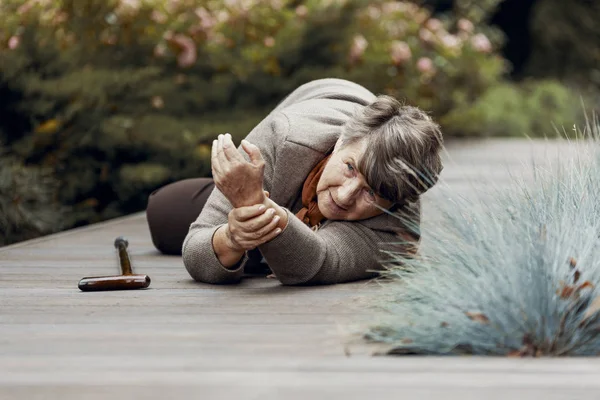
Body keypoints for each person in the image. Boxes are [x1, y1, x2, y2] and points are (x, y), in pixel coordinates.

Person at [146, 78, 443, 285]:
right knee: (165, 212)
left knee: (264, 251)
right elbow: (195, 253)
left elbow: (313, 264)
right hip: (307, 127)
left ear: (394, 202)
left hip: (289, 196)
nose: (345, 195)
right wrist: (232, 237)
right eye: (350, 168)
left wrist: (254, 204)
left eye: (372, 193)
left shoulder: (396, 232)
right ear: (340, 143)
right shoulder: (286, 136)